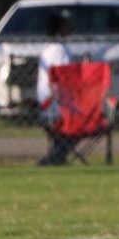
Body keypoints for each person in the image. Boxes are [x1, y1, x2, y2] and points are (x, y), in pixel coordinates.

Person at [36, 12, 75, 166]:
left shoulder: (47, 50)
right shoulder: (59, 50)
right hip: (56, 108)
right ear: (60, 29)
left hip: (49, 106)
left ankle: (57, 156)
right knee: (85, 122)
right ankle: (55, 157)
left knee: (63, 139)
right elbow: (65, 77)